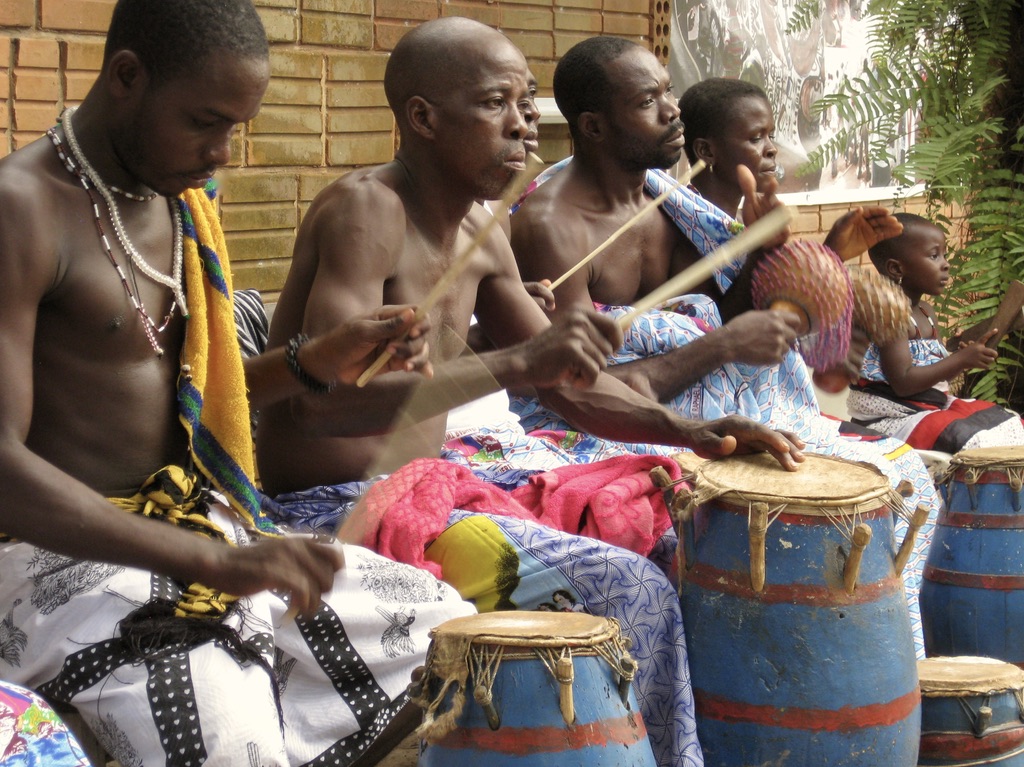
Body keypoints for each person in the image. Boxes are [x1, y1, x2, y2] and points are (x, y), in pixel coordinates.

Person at [256, 18, 804, 767]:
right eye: (496, 104)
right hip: (334, 507)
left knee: (680, 538)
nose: (523, 124)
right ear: (422, 118)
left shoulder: (486, 227)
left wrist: (690, 430)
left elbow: (571, 385)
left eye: (526, 101)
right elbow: (321, 405)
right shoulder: (366, 210)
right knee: (628, 587)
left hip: (434, 489)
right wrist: (523, 362)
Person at [0, 2, 478, 765]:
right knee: (226, 739)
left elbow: (179, 396)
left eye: (237, 127)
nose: (222, 152)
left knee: (455, 642)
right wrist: (213, 564)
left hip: (199, 531)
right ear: (127, 77)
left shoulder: (178, 197)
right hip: (54, 560)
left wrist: (307, 363)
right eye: (204, 121)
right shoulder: (21, 209)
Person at [509, 44, 943, 658]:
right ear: (594, 127)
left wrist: (775, 252)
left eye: (667, 90)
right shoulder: (551, 226)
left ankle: (879, 680)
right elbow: (578, 391)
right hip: (611, 427)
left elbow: (733, 314)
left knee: (905, 478)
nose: (672, 112)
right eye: (648, 101)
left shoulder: (666, 196)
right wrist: (718, 348)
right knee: (717, 528)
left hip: (728, 403)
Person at [849, 212, 1024, 451]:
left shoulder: (926, 312)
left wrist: (960, 362)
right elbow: (903, 383)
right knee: (977, 441)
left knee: (1012, 424)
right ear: (896, 269)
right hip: (891, 420)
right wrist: (960, 359)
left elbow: (936, 378)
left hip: (928, 407)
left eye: (944, 255)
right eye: (934, 256)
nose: (946, 264)